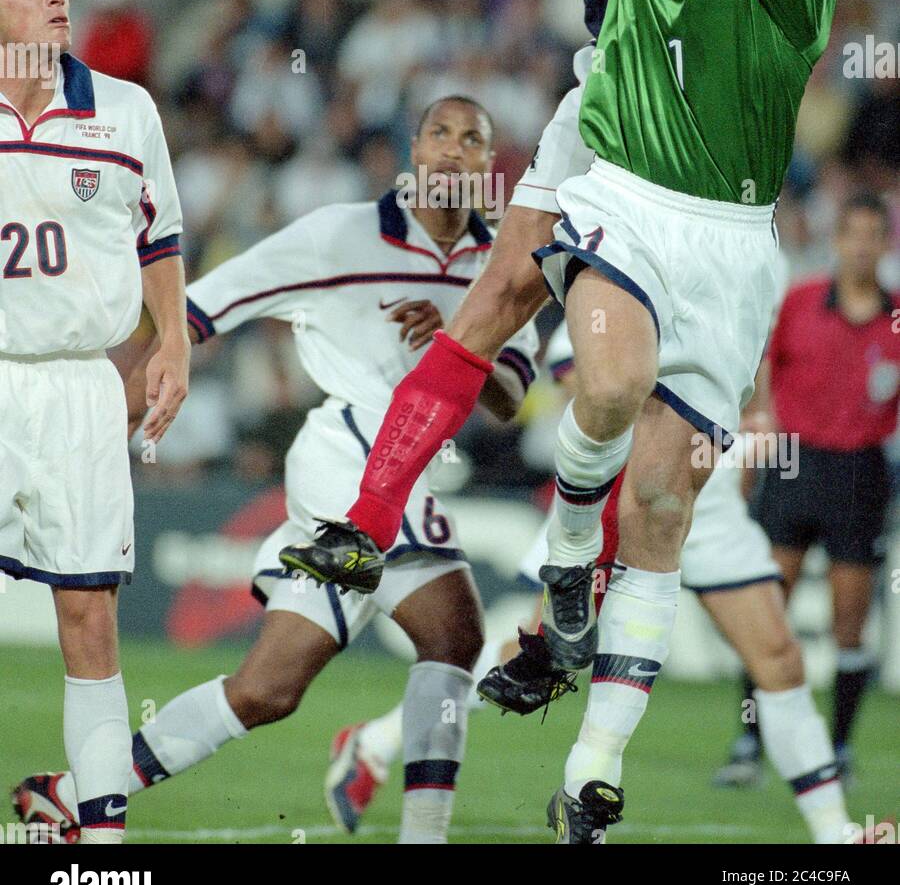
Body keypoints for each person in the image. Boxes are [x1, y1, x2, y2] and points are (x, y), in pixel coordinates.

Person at [277, 0, 865, 600]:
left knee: (629, 394)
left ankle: (589, 571)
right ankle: (371, 525)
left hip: (692, 124)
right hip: (605, 96)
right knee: (500, 300)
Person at [15, 96, 538, 846]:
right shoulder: (339, 237)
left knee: (268, 690)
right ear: (413, 148)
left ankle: (70, 795)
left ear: (492, 163)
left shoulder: (501, 269)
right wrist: (99, 428)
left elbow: (513, 397)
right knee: (454, 635)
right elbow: (198, 314)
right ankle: (426, 836)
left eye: (473, 139)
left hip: (402, 475)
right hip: (348, 453)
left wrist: (467, 343)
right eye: (440, 134)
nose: (454, 150)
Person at [328, 322, 851, 845]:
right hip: (621, 497)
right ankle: (379, 740)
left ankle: (837, 835)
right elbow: (575, 372)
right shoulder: (636, 269)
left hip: (708, 505)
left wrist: (755, 416)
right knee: (534, 652)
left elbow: (751, 373)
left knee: (779, 657)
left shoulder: (748, 270)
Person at [1, 0, 187, 844]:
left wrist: (175, 345)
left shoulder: (126, 110)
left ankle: (101, 844)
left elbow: (160, 236)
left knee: (87, 613)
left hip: (77, 388)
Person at [720, 191, 898, 786]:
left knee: (850, 624)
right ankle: (749, 742)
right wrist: (750, 469)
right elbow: (763, 393)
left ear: (885, 243)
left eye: (875, 234)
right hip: (793, 466)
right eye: (855, 233)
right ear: (838, 239)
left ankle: (839, 748)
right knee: (768, 612)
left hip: (859, 473)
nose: (863, 245)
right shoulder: (797, 303)